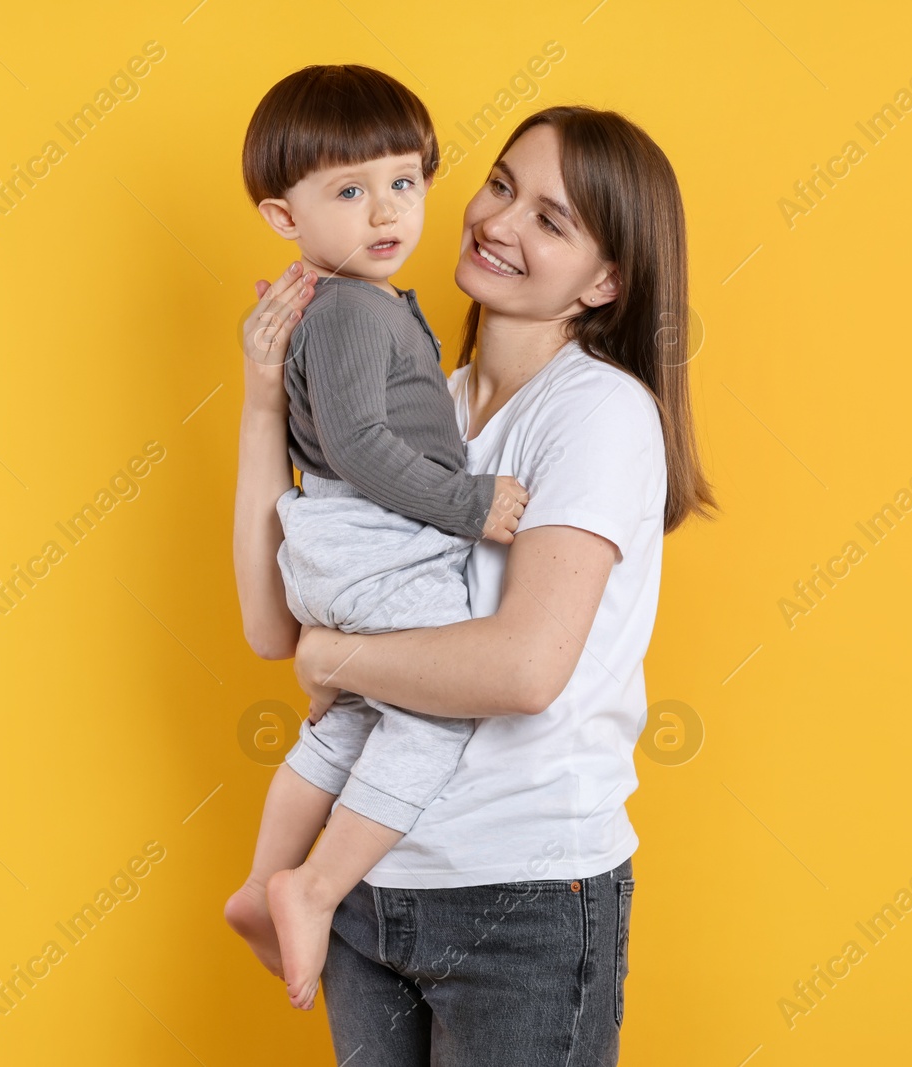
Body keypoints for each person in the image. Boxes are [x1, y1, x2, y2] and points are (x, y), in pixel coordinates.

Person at [235, 104, 717, 1065]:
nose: (499, 222)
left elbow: (523, 669)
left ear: (607, 279)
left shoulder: (597, 414)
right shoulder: (427, 410)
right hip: (372, 883)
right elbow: (267, 624)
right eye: (500, 186)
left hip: (523, 898)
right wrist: (259, 402)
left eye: (553, 219)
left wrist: (338, 655)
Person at [223, 64, 532, 1011]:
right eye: (348, 192)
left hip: (337, 544)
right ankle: (312, 888)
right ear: (285, 219)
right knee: (439, 705)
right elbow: (356, 443)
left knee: (361, 715)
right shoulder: (353, 308)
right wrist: (467, 504)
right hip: (373, 544)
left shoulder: (364, 301)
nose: (385, 211)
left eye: (404, 182)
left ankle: (261, 883)